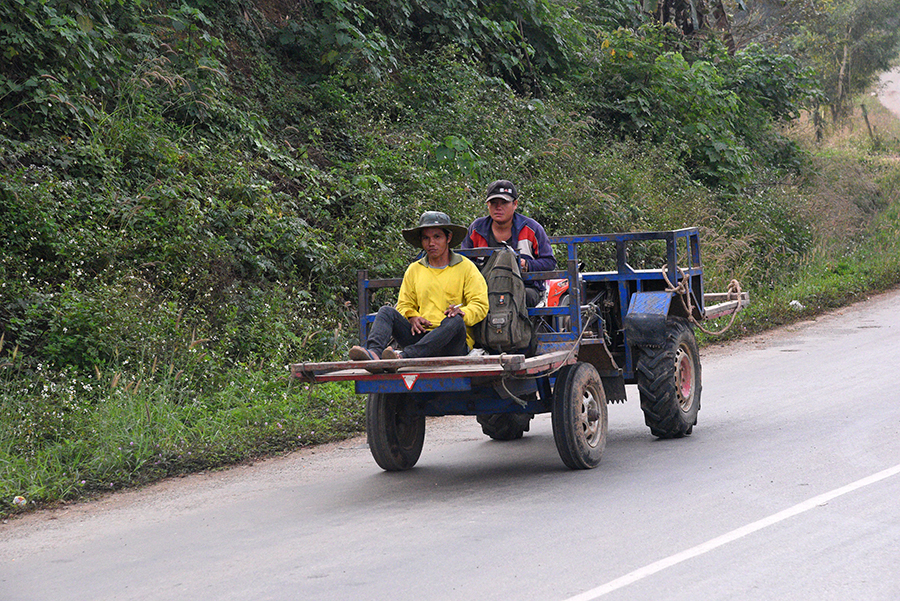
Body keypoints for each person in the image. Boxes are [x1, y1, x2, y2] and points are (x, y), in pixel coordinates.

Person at [348, 211, 489, 367]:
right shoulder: (414, 269)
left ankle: (404, 357)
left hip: (451, 343)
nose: (431, 243)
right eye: (426, 238)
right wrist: (412, 316)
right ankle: (373, 354)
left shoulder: (466, 267)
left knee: (454, 322)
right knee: (386, 312)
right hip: (421, 337)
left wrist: (462, 313)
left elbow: (480, 304)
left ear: (448, 238)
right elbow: (403, 304)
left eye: (437, 237)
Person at [461, 179, 556, 307]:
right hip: (485, 287)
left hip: (525, 287)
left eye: (504, 203)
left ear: (515, 204)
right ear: (488, 205)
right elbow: (465, 262)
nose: (498, 207)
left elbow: (549, 263)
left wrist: (527, 265)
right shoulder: (476, 229)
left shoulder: (531, 229)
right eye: (493, 203)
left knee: (510, 298)